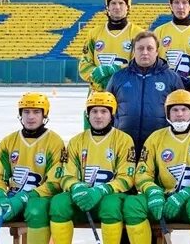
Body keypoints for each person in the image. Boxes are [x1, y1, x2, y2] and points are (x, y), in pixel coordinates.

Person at [0, 92, 65, 244]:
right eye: (26, 112)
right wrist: (0, 196)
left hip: (37, 203)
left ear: (44, 115)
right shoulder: (8, 142)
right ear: (20, 114)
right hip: (9, 201)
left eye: (36, 112)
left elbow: (55, 184)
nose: (30, 116)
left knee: (36, 210)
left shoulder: (54, 142)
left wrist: (24, 198)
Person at [123, 89, 190, 243]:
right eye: (175, 110)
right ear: (167, 113)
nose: (180, 114)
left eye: (184, 109)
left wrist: (186, 193)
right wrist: (153, 191)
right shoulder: (155, 138)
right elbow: (142, 173)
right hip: (163, 199)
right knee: (132, 204)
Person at [48, 92, 138, 244]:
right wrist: (76, 187)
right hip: (82, 196)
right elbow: (66, 174)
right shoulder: (76, 141)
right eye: (94, 111)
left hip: (111, 196)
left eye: (104, 111)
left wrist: (101, 190)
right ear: (87, 115)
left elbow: (127, 178)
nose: (98, 116)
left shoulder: (124, 140)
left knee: (110, 206)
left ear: (112, 115)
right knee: (58, 203)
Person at [106, 30, 185, 147]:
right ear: (134, 51)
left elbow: (183, 111)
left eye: (150, 48)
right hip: (124, 144)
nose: (145, 52)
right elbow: (107, 110)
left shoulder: (172, 78)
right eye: (140, 48)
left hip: (160, 145)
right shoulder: (118, 77)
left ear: (157, 51)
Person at [79, 0, 145, 91]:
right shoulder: (94, 34)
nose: (117, 7)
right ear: (107, 7)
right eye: (113, 3)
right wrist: (96, 76)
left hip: (128, 92)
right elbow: (84, 65)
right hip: (98, 95)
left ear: (128, 7)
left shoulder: (139, 34)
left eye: (121, 3)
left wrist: (115, 70)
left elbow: (143, 64)